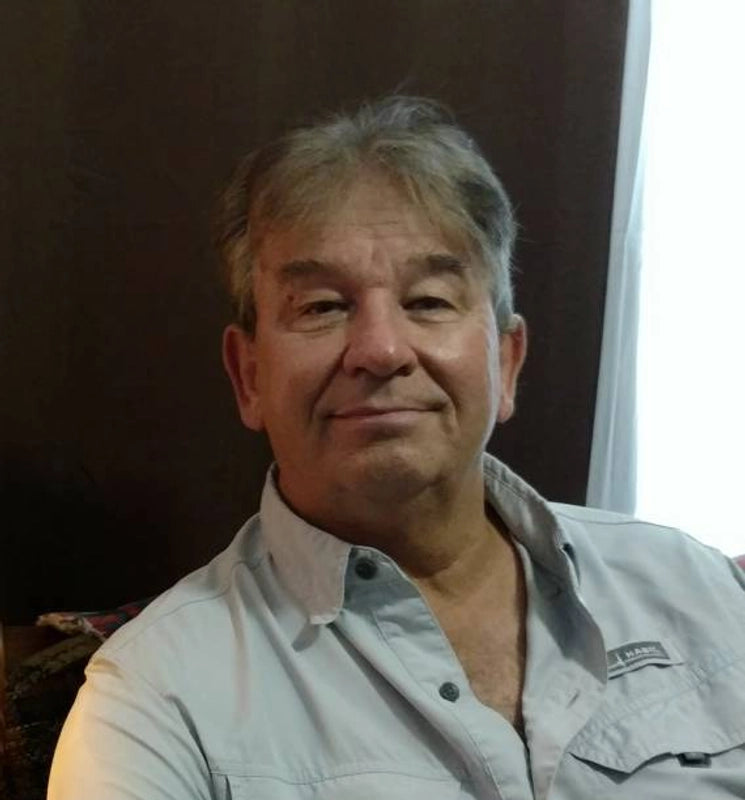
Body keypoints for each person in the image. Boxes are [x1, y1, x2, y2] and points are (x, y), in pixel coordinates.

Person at [48, 97, 745, 799]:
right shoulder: (154, 700)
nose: (381, 350)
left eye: (429, 301)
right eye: (322, 306)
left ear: (506, 363)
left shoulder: (699, 588)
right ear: (248, 376)